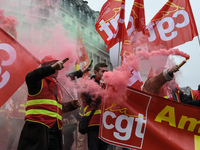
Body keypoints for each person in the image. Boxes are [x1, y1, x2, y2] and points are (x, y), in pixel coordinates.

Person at [17, 55, 89, 150]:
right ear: (45, 68)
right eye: (54, 66)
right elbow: (30, 76)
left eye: (58, 66)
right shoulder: (37, 82)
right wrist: (51, 68)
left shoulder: (57, 86)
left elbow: (57, 108)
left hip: (55, 131)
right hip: (37, 129)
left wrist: (71, 105)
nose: (57, 69)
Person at [81, 62, 108, 150]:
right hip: (93, 123)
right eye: (103, 71)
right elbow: (91, 102)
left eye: (107, 71)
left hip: (106, 124)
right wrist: (100, 87)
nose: (105, 74)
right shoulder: (87, 85)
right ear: (96, 72)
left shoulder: (108, 86)